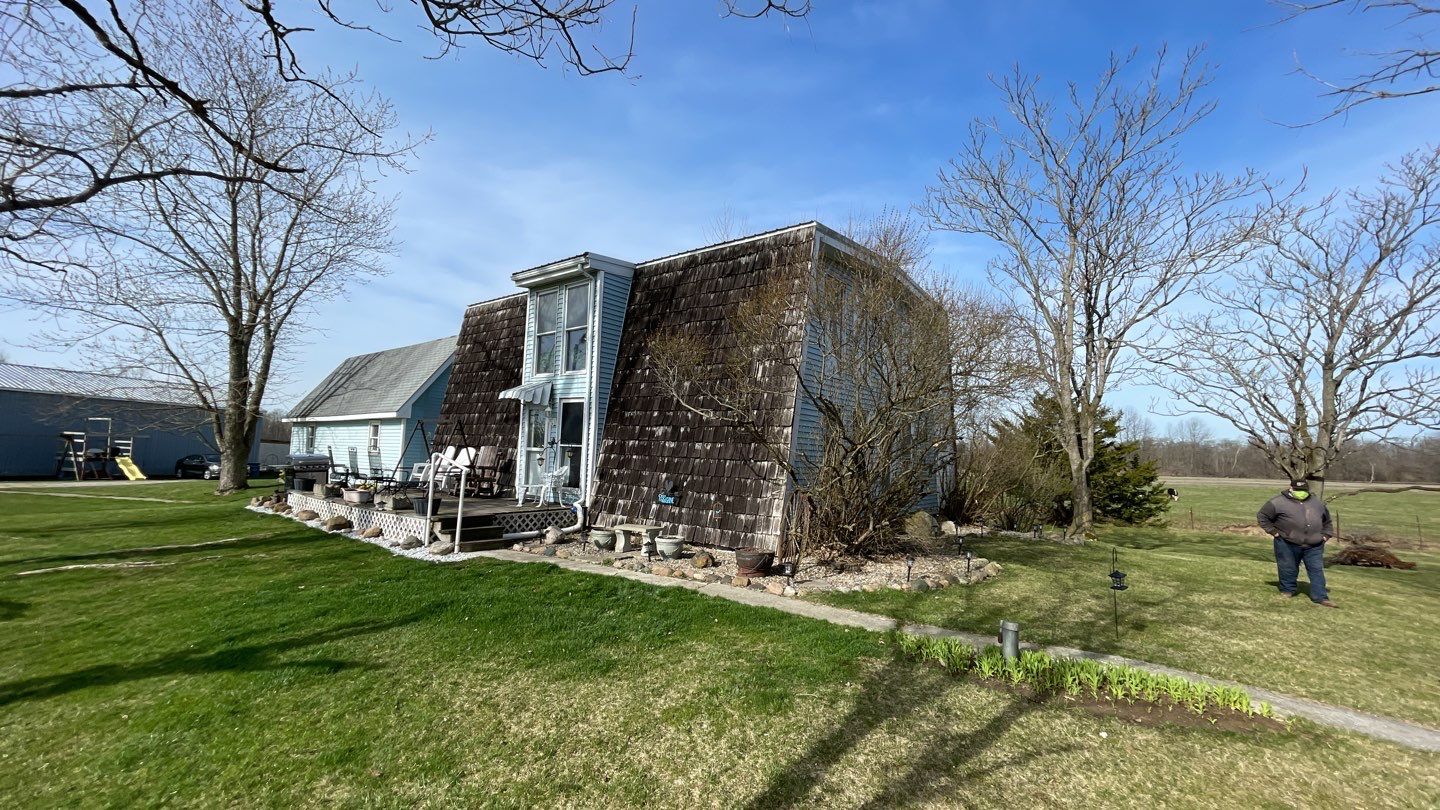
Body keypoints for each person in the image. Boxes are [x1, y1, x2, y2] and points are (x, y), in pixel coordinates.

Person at [1257, 478, 1336, 607]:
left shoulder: (1317, 503)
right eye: (1298, 490)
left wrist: (1326, 535)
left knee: (1316, 570)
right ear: (1291, 488)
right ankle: (1288, 590)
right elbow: (1262, 516)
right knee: (1288, 567)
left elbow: (1327, 521)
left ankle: (1321, 597)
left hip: (1314, 544)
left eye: (1303, 490)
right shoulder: (1277, 502)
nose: (1301, 493)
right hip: (1287, 542)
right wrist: (1273, 532)